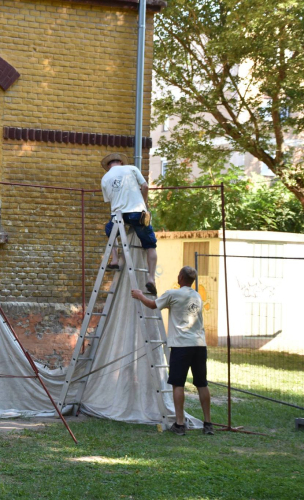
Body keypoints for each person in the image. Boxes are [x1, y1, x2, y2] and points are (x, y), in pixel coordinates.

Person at [131, 266, 214, 436]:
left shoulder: (173, 294)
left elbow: (153, 305)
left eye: (178, 274)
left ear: (181, 277)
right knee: (201, 383)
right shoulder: (196, 296)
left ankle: (180, 424)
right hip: (199, 345)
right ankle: (208, 423)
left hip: (181, 346)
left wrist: (139, 295)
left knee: (178, 384)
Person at [101, 152, 158, 294]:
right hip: (137, 212)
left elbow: (110, 200)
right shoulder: (132, 169)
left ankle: (114, 260)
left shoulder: (105, 178)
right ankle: (151, 278)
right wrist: (143, 203)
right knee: (150, 245)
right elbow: (144, 187)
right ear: (121, 162)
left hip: (118, 216)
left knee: (110, 232)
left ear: (108, 166)